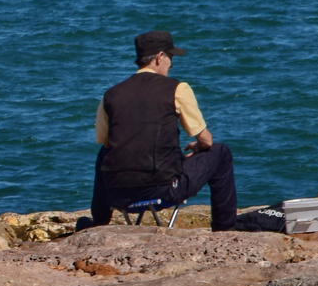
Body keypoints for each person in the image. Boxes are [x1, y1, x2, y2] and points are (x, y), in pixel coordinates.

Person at [85, 30, 238, 231]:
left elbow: (103, 141)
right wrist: (199, 146)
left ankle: (98, 223)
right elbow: (206, 140)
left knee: (105, 152)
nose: (171, 64)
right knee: (221, 153)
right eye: (170, 57)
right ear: (159, 57)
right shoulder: (177, 89)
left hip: (118, 194)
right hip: (163, 190)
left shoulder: (110, 95)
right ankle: (225, 229)